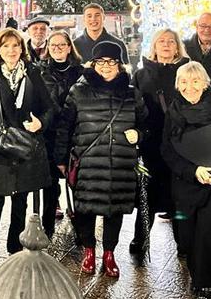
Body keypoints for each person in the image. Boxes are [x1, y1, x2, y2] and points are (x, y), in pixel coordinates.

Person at [0, 28, 56, 280]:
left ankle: (15, 253)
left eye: (15, 45)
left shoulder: (33, 73)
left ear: (22, 48)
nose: (11, 50)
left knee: (20, 204)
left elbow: (49, 107)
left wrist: (41, 122)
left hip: (25, 148)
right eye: (6, 46)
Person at [57, 41, 145, 278]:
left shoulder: (131, 92)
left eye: (112, 61)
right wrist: (61, 159)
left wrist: (140, 134)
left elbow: (146, 125)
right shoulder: (79, 91)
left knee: (114, 211)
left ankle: (109, 253)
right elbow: (64, 127)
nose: (106, 66)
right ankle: (88, 251)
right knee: (85, 209)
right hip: (88, 162)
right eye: (101, 62)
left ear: (119, 64)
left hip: (120, 163)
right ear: (93, 64)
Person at [162, 61, 211, 299]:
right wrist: (192, 171)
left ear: (205, 83)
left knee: (205, 231)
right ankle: (196, 273)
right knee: (187, 235)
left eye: (194, 81)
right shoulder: (173, 111)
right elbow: (167, 150)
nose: (189, 87)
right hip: (185, 182)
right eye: (183, 81)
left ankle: (205, 283)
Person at [130, 29, 189, 258]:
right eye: (161, 41)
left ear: (177, 47)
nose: (166, 45)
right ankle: (141, 237)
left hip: (179, 142)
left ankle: (182, 241)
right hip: (150, 143)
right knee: (147, 193)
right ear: (154, 46)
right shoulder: (141, 74)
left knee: (179, 195)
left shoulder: (186, 71)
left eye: (171, 42)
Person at [38, 30, 84, 237]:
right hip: (48, 134)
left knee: (76, 181)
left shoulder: (80, 72)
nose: (57, 49)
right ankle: (46, 228)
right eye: (53, 45)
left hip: (74, 134)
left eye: (61, 45)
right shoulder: (39, 72)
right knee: (49, 185)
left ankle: (81, 227)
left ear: (69, 47)